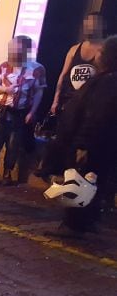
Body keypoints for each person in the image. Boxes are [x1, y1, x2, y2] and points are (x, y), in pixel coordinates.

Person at [48, 35, 117, 234]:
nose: (97, 55)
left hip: (92, 145)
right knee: (96, 183)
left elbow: (97, 116)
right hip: (103, 145)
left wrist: (83, 145)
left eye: (101, 52)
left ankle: (73, 225)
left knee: (80, 182)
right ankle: (88, 221)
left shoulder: (106, 84)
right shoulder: (107, 81)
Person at [37, 13, 106, 179]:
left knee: (80, 141)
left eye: (93, 23)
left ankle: (74, 174)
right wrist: (55, 100)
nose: (90, 26)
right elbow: (63, 75)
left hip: (89, 106)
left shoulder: (104, 50)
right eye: (87, 23)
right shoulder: (75, 49)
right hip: (69, 102)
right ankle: (50, 168)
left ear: (101, 26)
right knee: (61, 136)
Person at [0, 36, 46, 185]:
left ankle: (7, 172)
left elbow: (39, 92)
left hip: (20, 113)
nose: (11, 52)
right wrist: (5, 89)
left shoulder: (37, 69)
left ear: (25, 50)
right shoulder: (4, 66)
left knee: (13, 145)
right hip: (2, 110)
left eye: (15, 49)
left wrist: (32, 112)